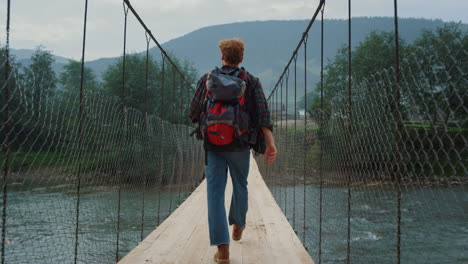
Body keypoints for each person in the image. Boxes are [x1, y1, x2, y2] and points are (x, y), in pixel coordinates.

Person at [189, 38, 277, 263]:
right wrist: (270, 143)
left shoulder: (207, 79)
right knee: (241, 184)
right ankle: (239, 223)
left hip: (213, 145)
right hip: (239, 144)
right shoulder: (252, 81)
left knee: (215, 196)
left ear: (222, 57)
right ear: (242, 58)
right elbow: (263, 115)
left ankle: (223, 251)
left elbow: (193, 111)